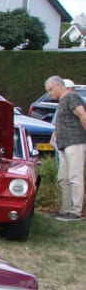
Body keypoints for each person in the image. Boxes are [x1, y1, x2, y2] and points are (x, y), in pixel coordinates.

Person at [46, 75, 86, 221]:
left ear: (58, 85)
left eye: (50, 90)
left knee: (75, 177)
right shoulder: (62, 101)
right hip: (63, 145)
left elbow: (83, 116)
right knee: (63, 178)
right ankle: (65, 209)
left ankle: (75, 211)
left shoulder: (71, 97)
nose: (49, 94)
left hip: (75, 141)